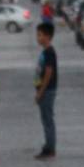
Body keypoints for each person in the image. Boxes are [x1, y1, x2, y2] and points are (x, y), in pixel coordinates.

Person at [34, 21, 58, 159]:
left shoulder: (49, 52)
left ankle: (50, 148)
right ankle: (48, 145)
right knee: (46, 119)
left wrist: (41, 91)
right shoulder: (46, 51)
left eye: (40, 35)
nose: (38, 38)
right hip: (44, 90)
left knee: (48, 120)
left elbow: (48, 72)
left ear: (48, 36)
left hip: (47, 91)